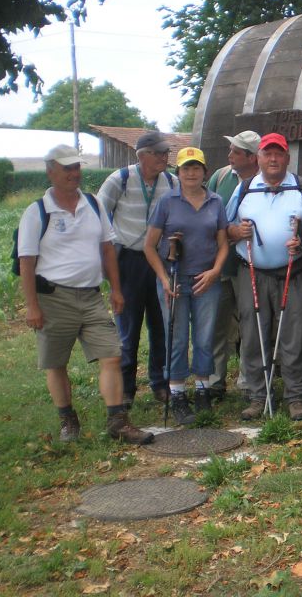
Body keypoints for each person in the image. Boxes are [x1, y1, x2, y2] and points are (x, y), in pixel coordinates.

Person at [17, 145, 153, 445]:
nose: (73, 173)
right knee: (56, 363)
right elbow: (26, 261)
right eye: (67, 168)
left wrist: (116, 290)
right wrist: (32, 306)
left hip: (91, 297)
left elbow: (107, 248)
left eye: (76, 167)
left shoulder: (93, 204)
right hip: (54, 298)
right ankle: (68, 420)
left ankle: (117, 421)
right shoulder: (37, 212)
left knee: (112, 354)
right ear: (50, 170)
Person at [226, 133, 302, 421]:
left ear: (287, 158)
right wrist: (237, 233)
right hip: (251, 271)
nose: (273, 159)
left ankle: (296, 397)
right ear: (259, 158)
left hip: (293, 272)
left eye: (279, 153)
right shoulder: (244, 188)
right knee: (253, 333)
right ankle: (258, 395)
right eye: (268, 153)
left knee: (291, 335)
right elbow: (225, 226)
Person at [144, 147, 229, 425]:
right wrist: (164, 279)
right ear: (177, 172)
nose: (191, 173)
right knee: (177, 338)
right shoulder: (167, 202)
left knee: (204, 337)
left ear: (205, 171)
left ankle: (203, 389)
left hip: (206, 279)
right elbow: (149, 246)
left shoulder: (215, 201)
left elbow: (223, 243)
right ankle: (178, 393)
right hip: (175, 280)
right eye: (185, 169)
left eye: (196, 168)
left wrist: (215, 271)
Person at [98, 131, 177, 407]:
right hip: (128, 260)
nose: (165, 157)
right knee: (127, 327)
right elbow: (98, 217)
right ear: (142, 155)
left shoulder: (172, 181)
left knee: (161, 324)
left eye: (166, 152)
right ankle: (126, 387)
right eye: (159, 153)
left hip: (160, 260)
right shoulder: (119, 180)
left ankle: (160, 382)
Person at [206, 130, 261, 400]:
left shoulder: (264, 181)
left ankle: (250, 381)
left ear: (251, 157)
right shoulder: (220, 177)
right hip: (220, 264)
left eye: (236, 152)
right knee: (218, 325)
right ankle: (215, 382)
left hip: (248, 266)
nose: (229, 156)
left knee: (250, 325)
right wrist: (231, 230)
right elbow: (211, 216)